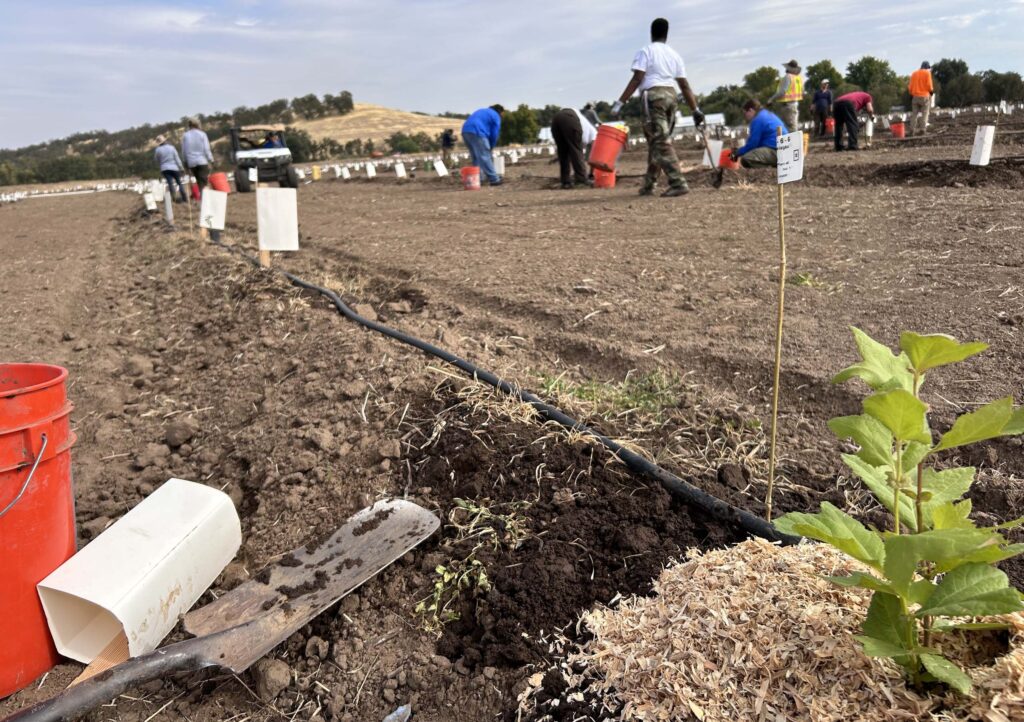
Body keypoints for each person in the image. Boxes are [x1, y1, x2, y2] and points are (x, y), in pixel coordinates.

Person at [612, 17, 703, 198]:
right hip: (671, 96)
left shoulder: (646, 51)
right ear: (666, 34)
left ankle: (678, 182)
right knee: (657, 142)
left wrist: (620, 102)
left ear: (651, 33)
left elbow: (638, 78)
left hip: (653, 97)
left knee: (660, 142)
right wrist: (695, 110)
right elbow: (684, 85)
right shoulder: (674, 55)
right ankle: (648, 185)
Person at [729, 99, 787, 169]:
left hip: (776, 151)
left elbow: (753, 144)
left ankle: (771, 170)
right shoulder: (766, 114)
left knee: (747, 159)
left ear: (750, 110)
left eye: (745, 113)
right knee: (753, 154)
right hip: (783, 149)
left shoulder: (758, 120)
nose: (745, 117)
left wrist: (737, 152)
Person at [550, 107, 597, 188]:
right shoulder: (595, 134)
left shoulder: (589, 128)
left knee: (563, 152)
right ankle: (582, 180)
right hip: (570, 117)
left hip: (557, 117)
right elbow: (594, 157)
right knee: (576, 151)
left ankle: (565, 182)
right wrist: (591, 174)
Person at [461, 105, 505, 186]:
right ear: (500, 112)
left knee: (476, 156)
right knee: (485, 156)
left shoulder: (483, 111)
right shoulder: (495, 116)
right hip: (478, 131)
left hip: (465, 131)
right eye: (503, 114)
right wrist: (491, 146)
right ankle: (494, 179)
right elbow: (494, 134)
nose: (503, 116)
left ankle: (479, 178)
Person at [769, 59, 804, 132]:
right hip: (794, 104)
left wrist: (771, 99)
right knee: (792, 126)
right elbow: (802, 91)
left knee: (788, 128)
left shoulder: (788, 77)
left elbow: (782, 91)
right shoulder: (799, 78)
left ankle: (792, 143)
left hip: (787, 106)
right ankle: (792, 142)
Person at [181, 117, 214, 193]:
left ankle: (203, 198)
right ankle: (204, 199)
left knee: (199, 181)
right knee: (203, 181)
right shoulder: (202, 134)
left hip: (191, 163)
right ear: (197, 125)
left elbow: (184, 151)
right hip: (202, 161)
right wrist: (211, 159)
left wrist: (185, 162)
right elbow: (206, 149)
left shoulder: (185, 135)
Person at [154, 135, 187, 202]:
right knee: (179, 183)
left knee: (170, 183)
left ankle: (174, 198)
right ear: (165, 141)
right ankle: (184, 197)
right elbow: (177, 158)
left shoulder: (157, 150)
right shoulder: (172, 148)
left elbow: (156, 160)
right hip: (174, 168)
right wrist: (181, 168)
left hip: (164, 169)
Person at [908, 61, 935, 136]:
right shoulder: (927, 73)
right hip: (924, 96)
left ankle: (912, 130)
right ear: (927, 67)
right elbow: (929, 85)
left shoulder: (914, 73)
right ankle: (922, 129)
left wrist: (911, 94)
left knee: (914, 114)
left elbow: (910, 87)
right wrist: (931, 91)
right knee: (925, 114)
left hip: (915, 96)